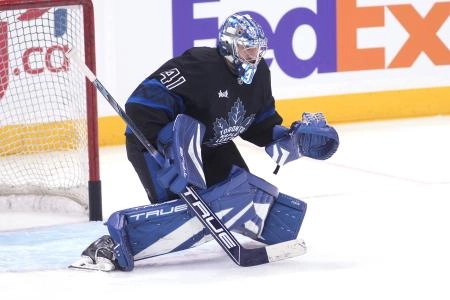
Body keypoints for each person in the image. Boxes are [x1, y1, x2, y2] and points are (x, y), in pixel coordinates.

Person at [72, 13, 339, 271]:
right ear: (228, 47)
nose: (254, 57)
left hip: (209, 145)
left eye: (257, 50)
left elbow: (259, 123)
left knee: (237, 194)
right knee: (182, 209)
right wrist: (164, 153)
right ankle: (112, 244)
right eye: (247, 50)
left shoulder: (260, 74)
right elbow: (140, 105)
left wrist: (290, 140)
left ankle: (198, 207)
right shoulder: (199, 67)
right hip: (155, 143)